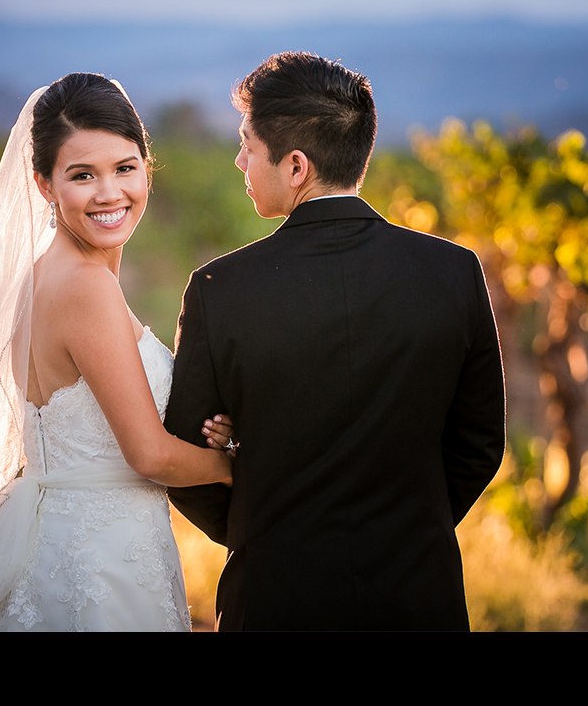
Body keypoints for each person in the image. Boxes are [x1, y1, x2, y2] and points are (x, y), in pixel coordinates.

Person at [165, 52, 505, 631]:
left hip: (273, 598)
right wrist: (408, 528)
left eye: (248, 144)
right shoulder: (454, 272)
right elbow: (478, 445)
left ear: (296, 165)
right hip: (420, 597)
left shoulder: (221, 290)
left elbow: (185, 457)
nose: (239, 160)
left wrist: (262, 529)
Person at [0, 73, 235, 631]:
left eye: (125, 168)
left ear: (145, 166)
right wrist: (237, 466)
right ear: (44, 184)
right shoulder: (86, 286)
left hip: (56, 538)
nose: (110, 193)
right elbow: (149, 455)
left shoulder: (41, 279)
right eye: (83, 175)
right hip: (102, 560)